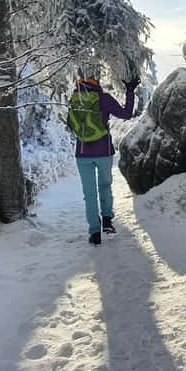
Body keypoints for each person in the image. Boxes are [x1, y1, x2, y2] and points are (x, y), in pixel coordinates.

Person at [70, 73, 139, 245]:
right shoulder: (104, 99)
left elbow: (71, 124)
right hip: (104, 152)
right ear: (96, 83)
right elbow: (127, 114)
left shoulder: (74, 100)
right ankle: (107, 220)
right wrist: (130, 91)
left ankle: (94, 232)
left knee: (89, 193)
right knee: (105, 186)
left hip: (82, 153)